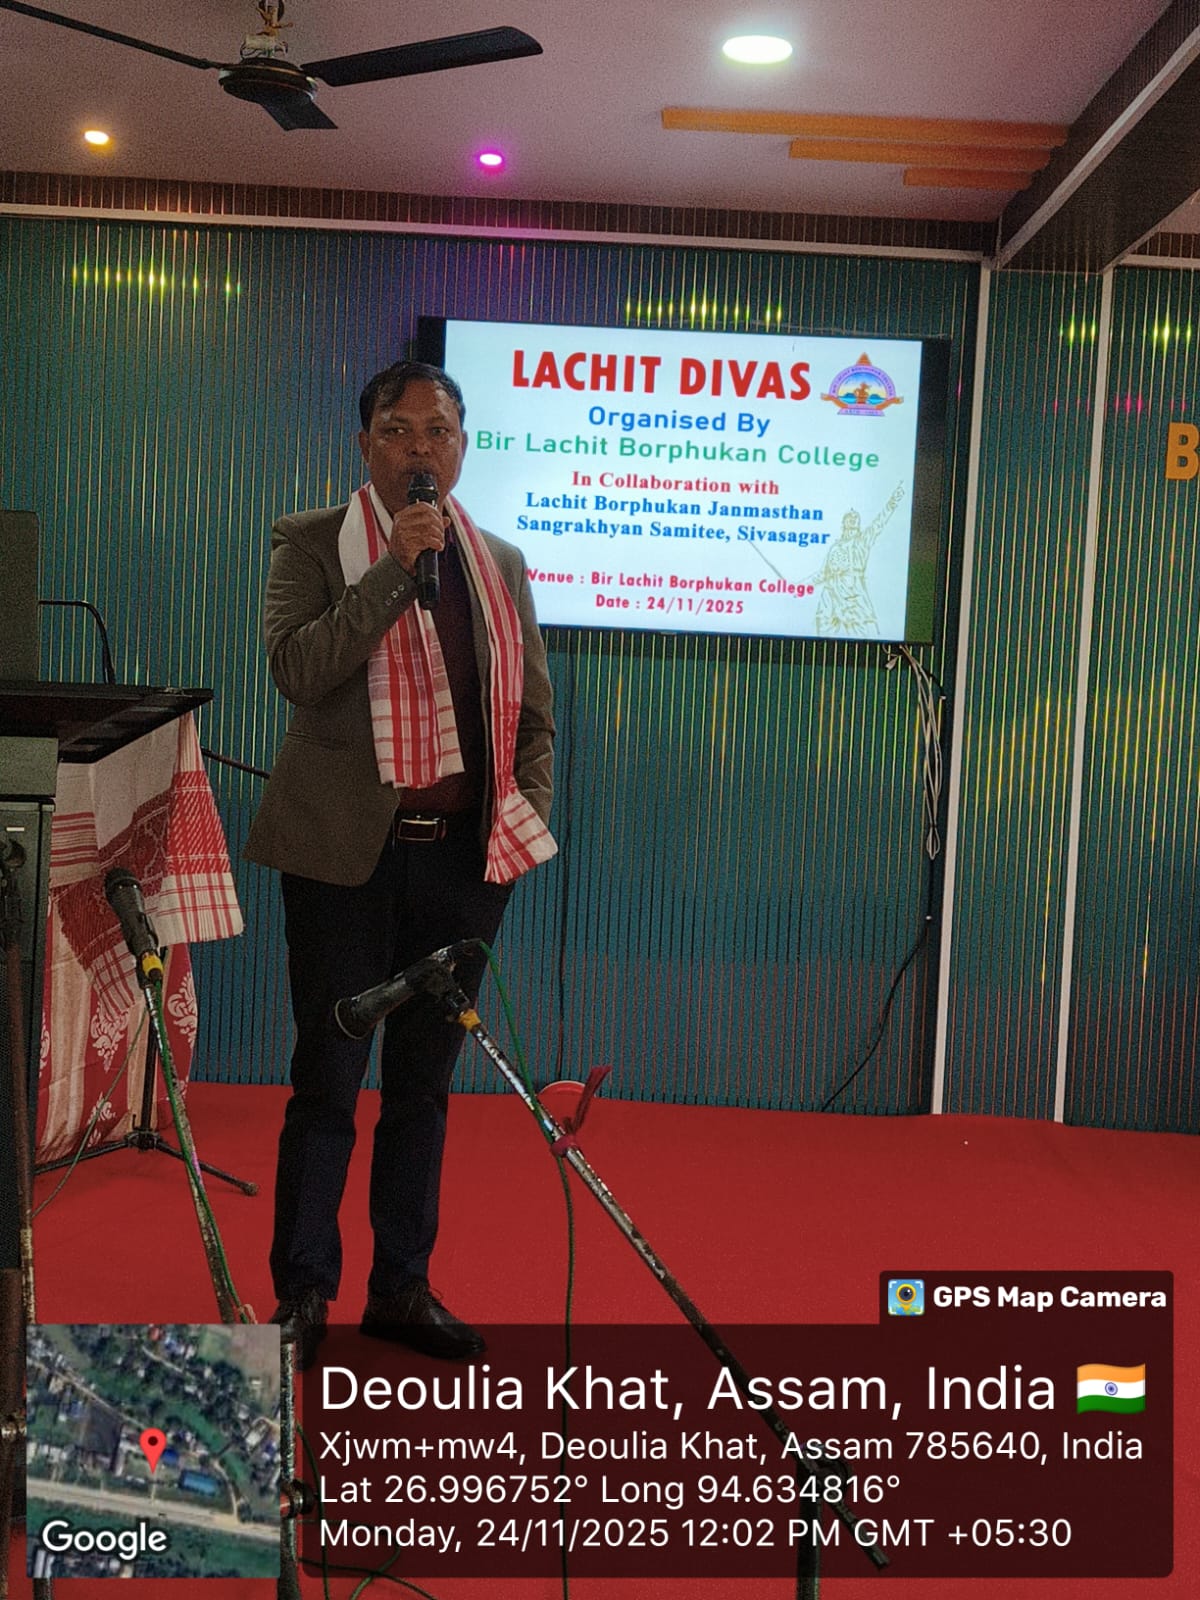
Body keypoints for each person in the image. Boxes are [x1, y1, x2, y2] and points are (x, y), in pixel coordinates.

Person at [245, 360, 555, 1368]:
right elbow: (298, 668)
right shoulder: (310, 543)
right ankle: (304, 1292)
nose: (421, 447)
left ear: (462, 447)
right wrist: (392, 569)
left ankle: (402, 1289)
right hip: (344, 863)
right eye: (398, 429)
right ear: (365, 443)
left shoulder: (500, 563)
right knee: (328, 1079)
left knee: (423, 1087)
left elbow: (534, 717)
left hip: (463, 865)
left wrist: (520, 825)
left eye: (439, 430)